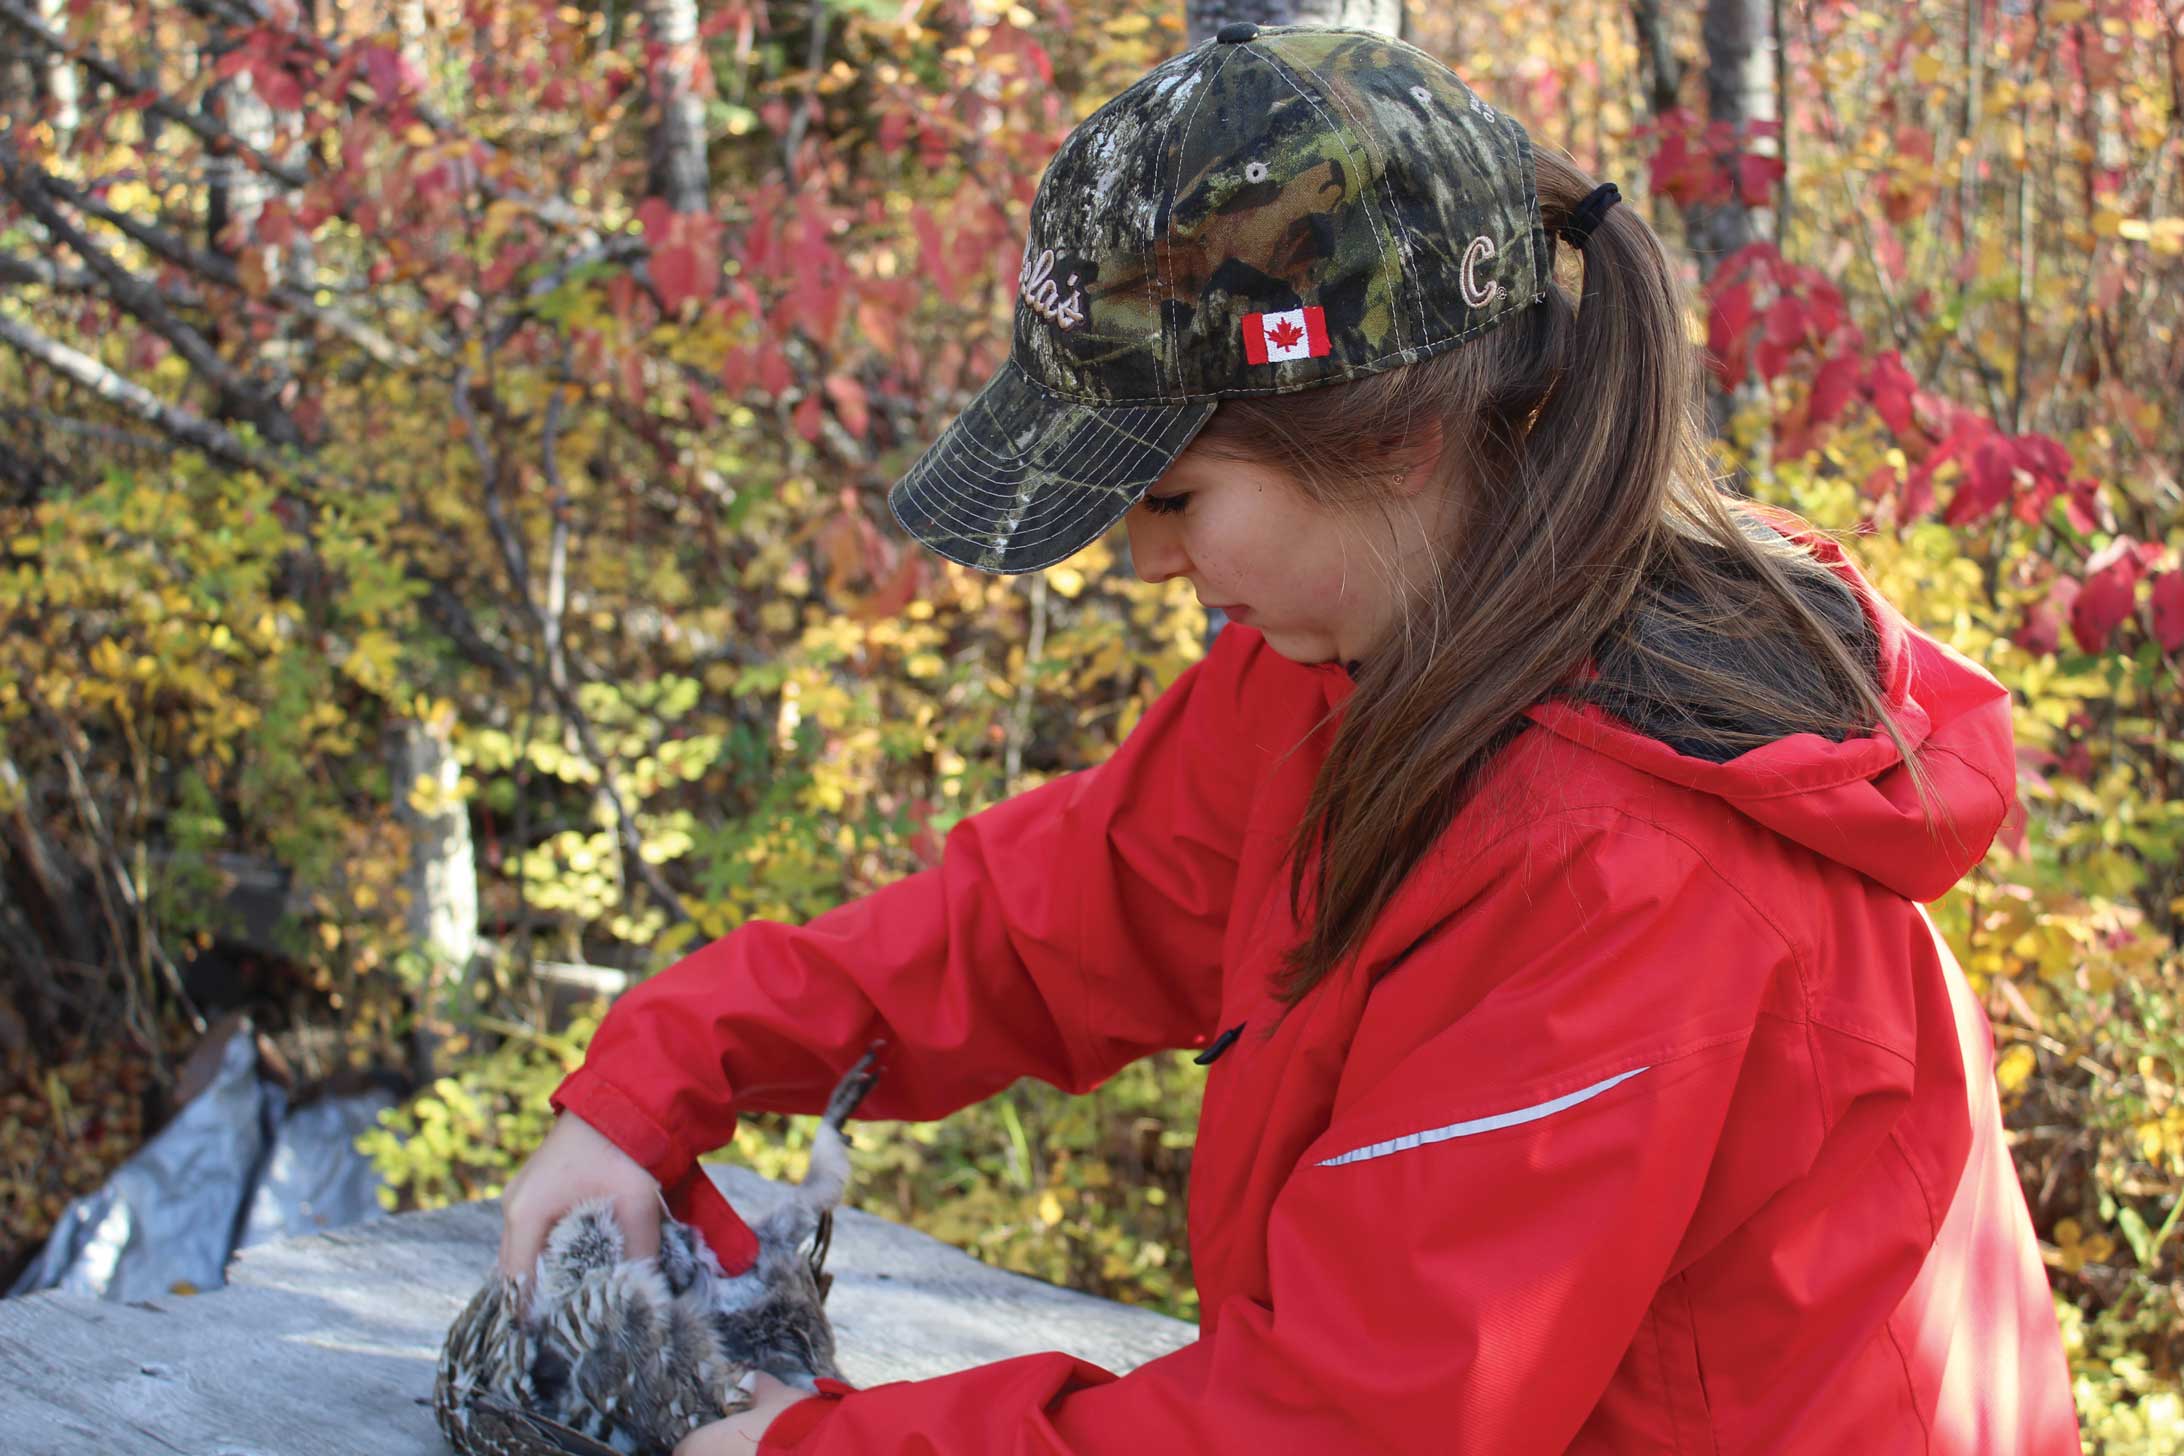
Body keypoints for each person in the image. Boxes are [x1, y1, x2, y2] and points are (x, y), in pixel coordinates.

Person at [497, 22, 2079, 1454]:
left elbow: (1338, 1425)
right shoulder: (1378, 655)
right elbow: (1054, 918)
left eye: (1173, 498)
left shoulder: (1632, 874)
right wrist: (657, 1076)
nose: (1143, 560)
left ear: (1396, 439)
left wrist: (791, 1450)